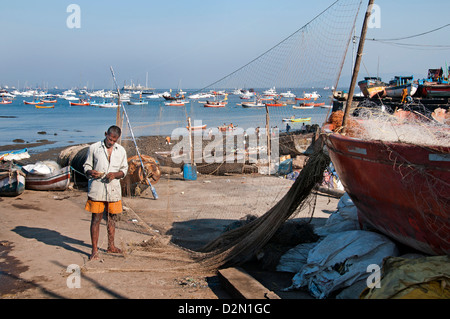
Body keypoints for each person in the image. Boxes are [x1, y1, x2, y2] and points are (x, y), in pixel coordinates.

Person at [83, 125, 128, 260]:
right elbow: (86, 166)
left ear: (118, 139)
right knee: (96, 219)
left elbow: (124, 171)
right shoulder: (94, 148)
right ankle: (94, 250)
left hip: (113, 189)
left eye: (114, 140)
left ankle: (111, 246)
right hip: (97, 189)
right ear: (105, 134)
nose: (111, 142)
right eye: (109, 139)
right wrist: (90, 172)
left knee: (112, 219)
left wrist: (115, 174)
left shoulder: (121, 151)